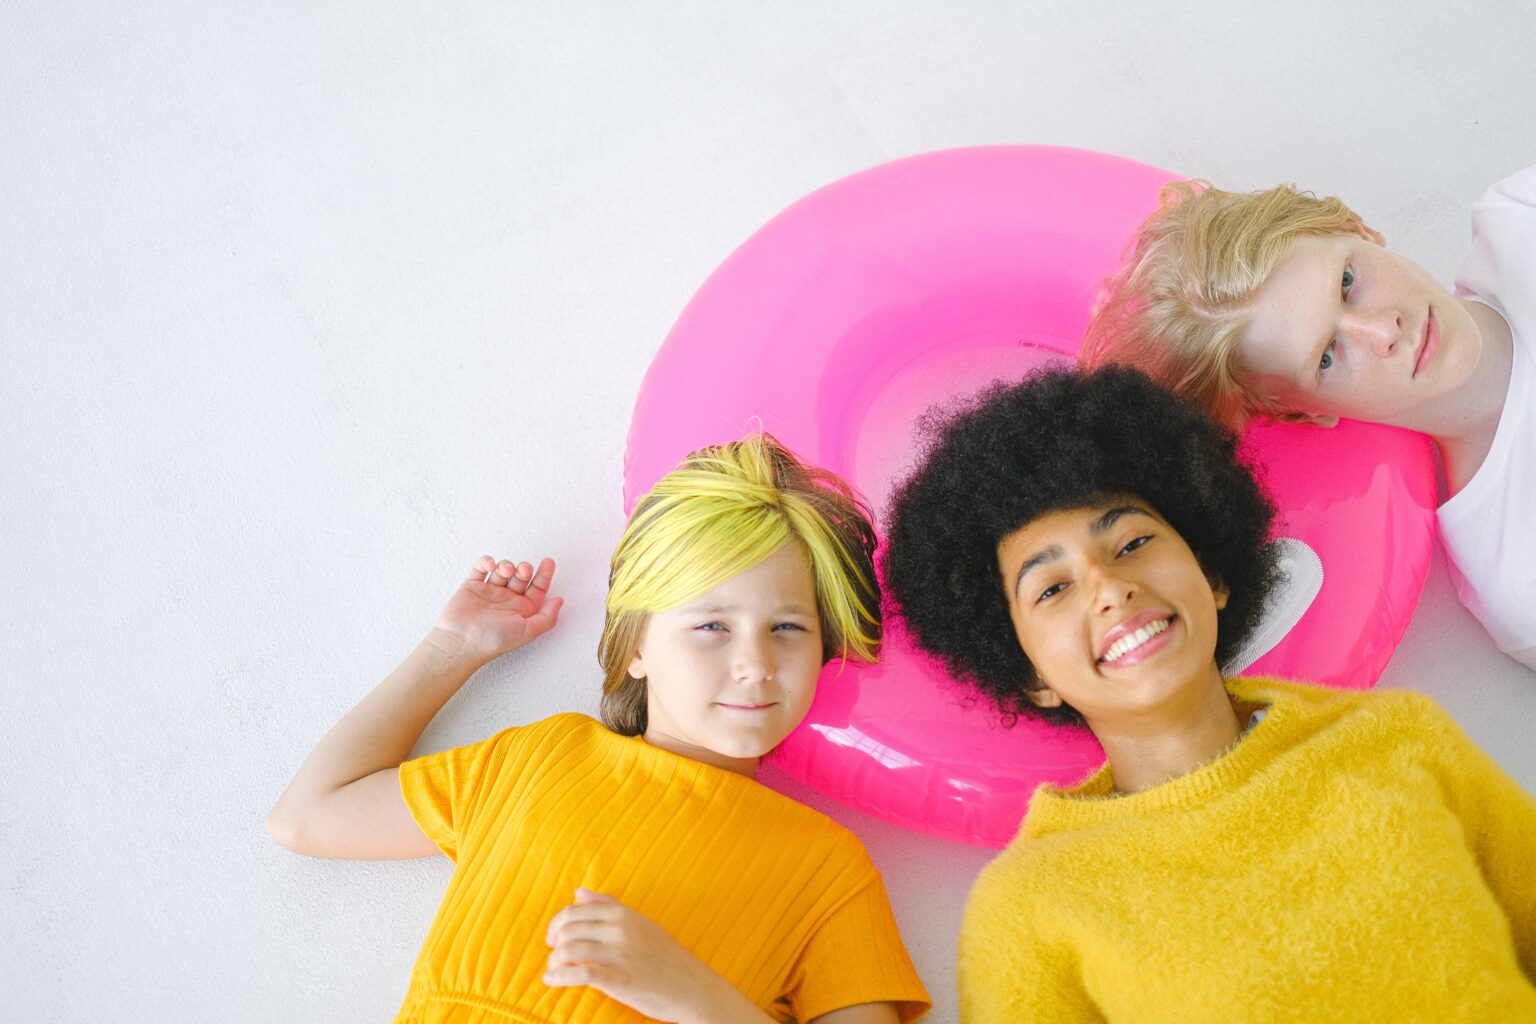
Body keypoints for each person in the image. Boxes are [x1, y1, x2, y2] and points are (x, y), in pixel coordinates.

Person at [882, 366, 1536, 1022]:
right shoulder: (1027, 909)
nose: (1109, 588)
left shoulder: (1399, 737)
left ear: (1214, 576)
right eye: (1052, 588)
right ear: (1031, 676)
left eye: (1133, 543)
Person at [267, 435, 930, 1024]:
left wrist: (693, 997)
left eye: (788, 627)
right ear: (636, 647)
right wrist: (451, 651)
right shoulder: (538, 760)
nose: (755, 664)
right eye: (711, 626)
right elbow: (306, 816)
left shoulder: (829, 871)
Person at [1080, 168, 1535, 669]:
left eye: (1347, 282)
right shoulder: (1517, 574)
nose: (1385, 331)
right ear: (1302, 411)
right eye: (1326, 357)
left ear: (1358, 228)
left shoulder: (1518, 213)